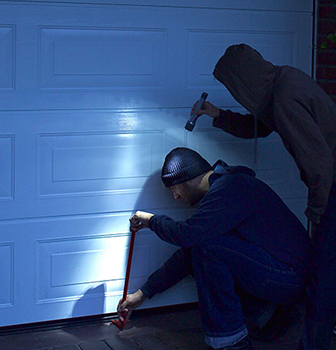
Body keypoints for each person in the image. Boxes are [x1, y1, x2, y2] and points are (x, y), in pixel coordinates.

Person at [190, 43, 336, 350]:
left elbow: (319, 162)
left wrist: (319, 211)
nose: (233, 92)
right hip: (332, 182)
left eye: (232, 85)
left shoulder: (284, 98)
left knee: (321, 278)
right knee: (325, 270)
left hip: (333, 184)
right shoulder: (283, 82)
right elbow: (257, 127)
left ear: (244, 79)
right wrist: (216, 114)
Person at [117, 147, 311, 350]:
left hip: (291, 278)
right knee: (202, 249)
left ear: (189, 179)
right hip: (281, 275)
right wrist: (143, 293)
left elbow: (186, 236)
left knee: (207, 248)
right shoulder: (224, 189)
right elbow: (188, 252)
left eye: (174, 188)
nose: (175, 197)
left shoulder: (231, 189)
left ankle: (231, 343)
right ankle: (269, 316)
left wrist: (152, 221)